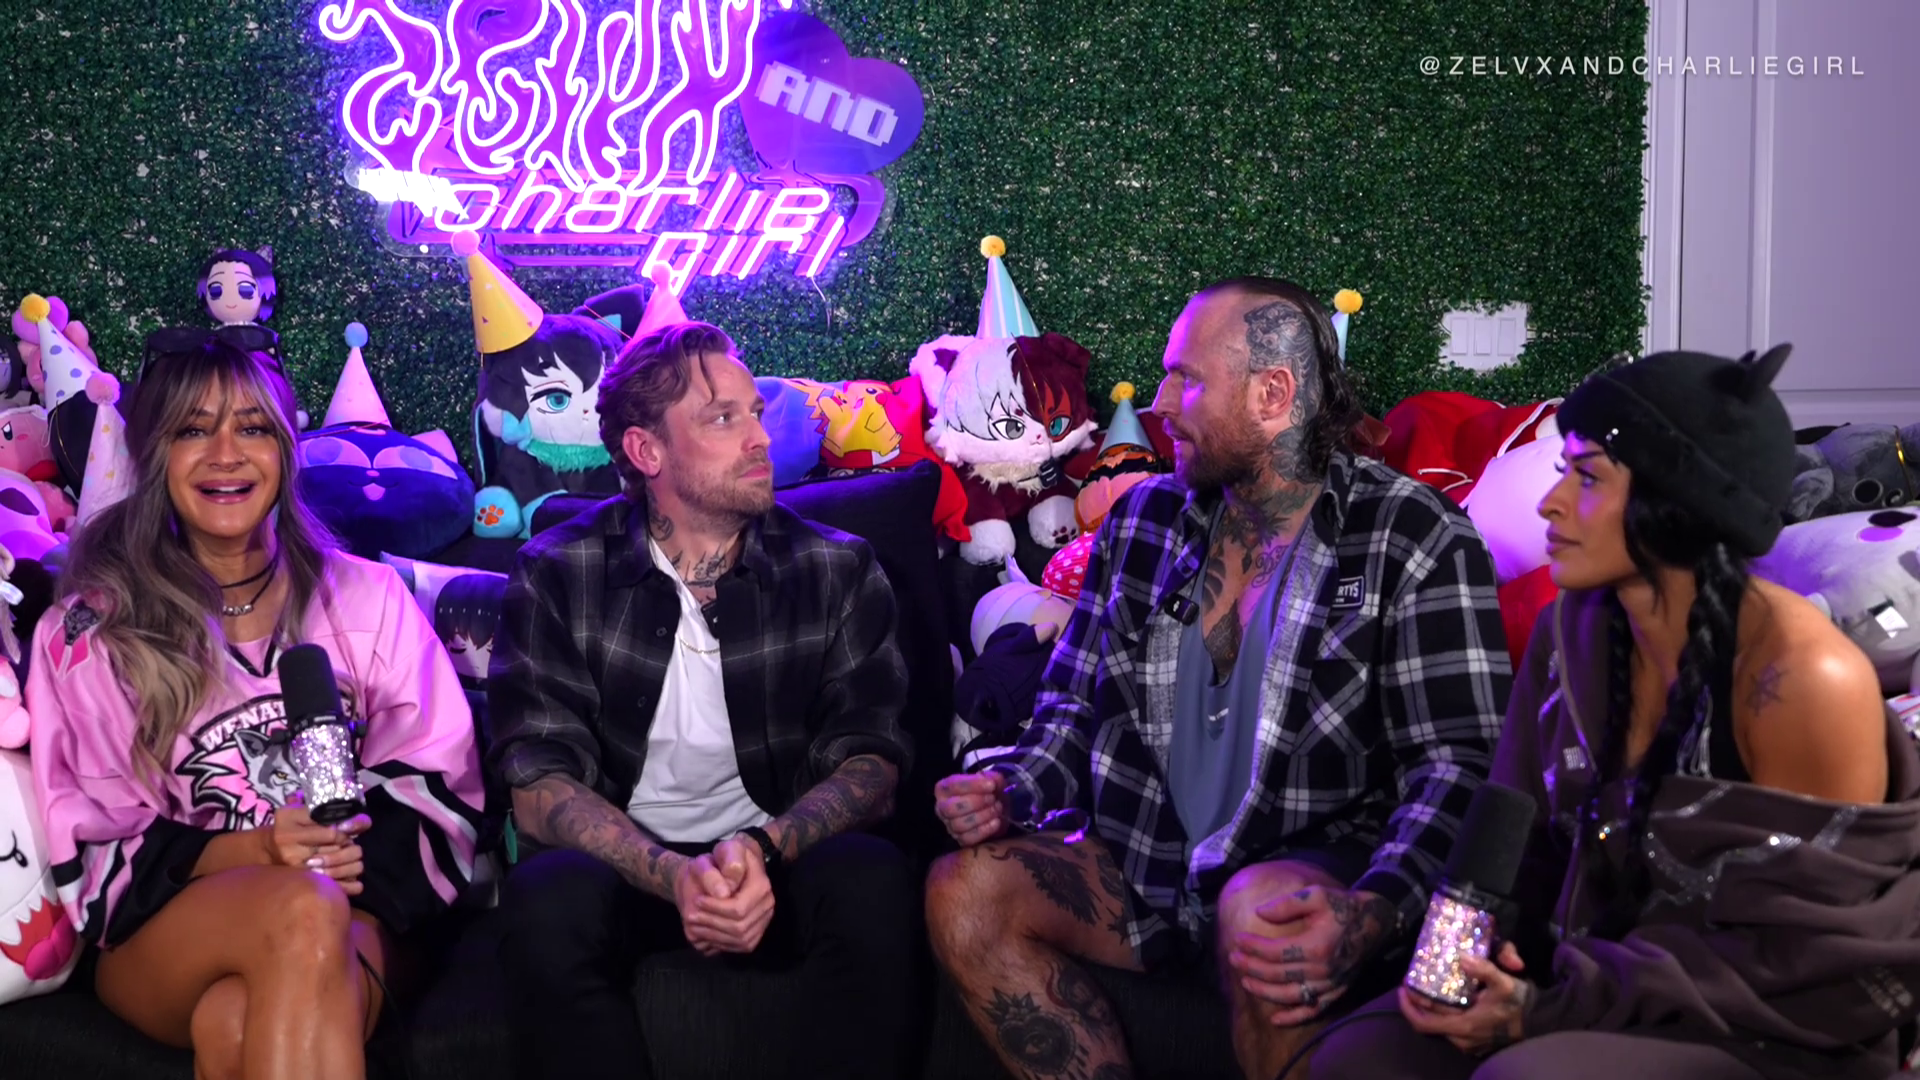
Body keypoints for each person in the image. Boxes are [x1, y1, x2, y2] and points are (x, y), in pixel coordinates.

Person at [926, 277, 1514, 1080]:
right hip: (1145, 864)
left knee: (1260, 915)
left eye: (1187, 380)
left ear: (1274, 395)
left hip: (1307, 867)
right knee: (965, 895)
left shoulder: (1413, 534)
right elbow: (1071, 700)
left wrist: (1376, 907)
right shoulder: (1141, 519)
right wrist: (1012, 789)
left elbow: (1457, 766)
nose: (1162, 403)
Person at [1311, 347, 1920, 1080]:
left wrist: (1542, 1013)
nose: (1550, 502)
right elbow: (1512, 832)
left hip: (1773, 1024)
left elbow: (1803, 958)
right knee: (1359, 1054)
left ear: (1680, 504)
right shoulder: (1569, 630)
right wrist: (1457, 967)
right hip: (1592, 976)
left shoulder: (1803, 677)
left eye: (1588, 477)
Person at [27, 333, 485, 1080]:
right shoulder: (91, 633)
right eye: (193, 430)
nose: (226, 455)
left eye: (252, 428)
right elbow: (98, 841)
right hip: (169, 933)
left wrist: (334, 853)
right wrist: (262, 852)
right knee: (301, 908)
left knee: (239, 1018)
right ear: (154, 455)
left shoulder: (368, 599)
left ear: (287, 449)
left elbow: (441, 786)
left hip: (359, 908)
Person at [487, 321, 918, 1080]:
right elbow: (538, 788)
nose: (760, 438)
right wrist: (672, 876)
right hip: (628, 869)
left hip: (778, 859)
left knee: (871, 877)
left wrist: (764, 850)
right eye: (723, 418)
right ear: (646, 451)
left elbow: (871, 762)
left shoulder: (838, 568)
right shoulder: (557, 571)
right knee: (545, 898)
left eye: (755, 413)